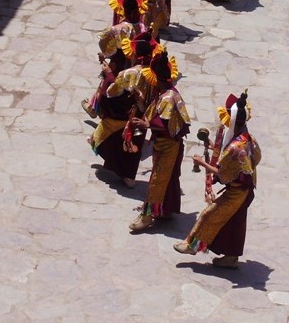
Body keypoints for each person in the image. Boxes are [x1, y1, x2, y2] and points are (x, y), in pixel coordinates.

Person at [173, 91, 261, 269]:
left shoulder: (236, 147)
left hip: (237, 192)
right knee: (233, 224)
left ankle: (192, 246)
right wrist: (213, 147)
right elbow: (253, 158)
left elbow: (222, 174)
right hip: (245, 189)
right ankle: (230, 258)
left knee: (209, 214)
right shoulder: (248, 138)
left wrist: (202, 163)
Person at [128, 50, 190, 233]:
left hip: (169, 147)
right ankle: (164, 210)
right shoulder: (164, 92)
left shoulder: (169, 98)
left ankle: (147, 216)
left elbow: (166, 126)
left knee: (156, 181)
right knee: (166, 179)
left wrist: (146, 124)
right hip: (162, 145)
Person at [89, 31, 160, 188]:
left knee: (116, 139)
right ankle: (129, 176)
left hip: (127, 114)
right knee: (136, 144)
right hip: (145, 115)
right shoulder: (155, 73)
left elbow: (111, 92)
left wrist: (108, 74)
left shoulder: (130, 73)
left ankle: (121, 170)